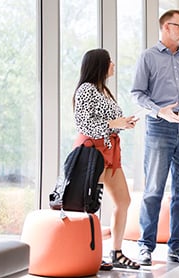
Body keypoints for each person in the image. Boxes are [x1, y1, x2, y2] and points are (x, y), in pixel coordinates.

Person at [130, 9, 179, 266]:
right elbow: (137, 93)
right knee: (153, 189)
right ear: (166, 27)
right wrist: (159, 111)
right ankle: (146, 247)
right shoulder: (148, 57)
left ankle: (177, 247)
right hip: (160, 126)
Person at [72, 48, 140, 270]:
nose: (113, 64)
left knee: (123, 201)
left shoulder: (103, 90)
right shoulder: (86, 90)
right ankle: (88, 252)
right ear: (99, 65)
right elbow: (84, 125)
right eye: (109, 61)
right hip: (92, 153)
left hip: (109, 152)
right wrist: (114, 124)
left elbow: (109, 122)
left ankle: (116, 252)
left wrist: (124, 124)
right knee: (88, 206)